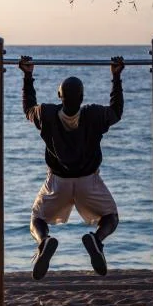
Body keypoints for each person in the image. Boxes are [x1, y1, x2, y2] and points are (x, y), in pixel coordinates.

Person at [19, 55, 125, 280]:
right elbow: (116, 112)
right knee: (111, 217)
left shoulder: (46, 114)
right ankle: (97, 240)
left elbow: (28, 108)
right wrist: (116, 77)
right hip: (89, 181)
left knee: (36, 220)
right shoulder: (94, 115)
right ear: (82, 97)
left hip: (58, 181)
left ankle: (44, 241)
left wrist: (28, 76)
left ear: (60, 95)